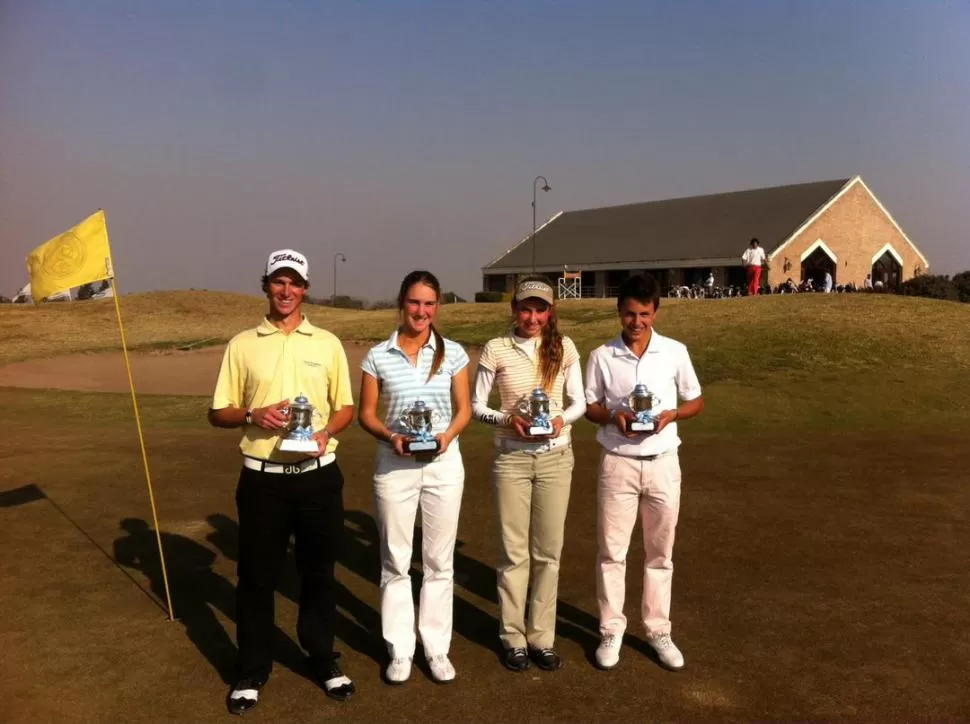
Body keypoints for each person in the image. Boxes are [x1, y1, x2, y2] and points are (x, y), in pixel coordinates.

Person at [208, 249, 356, 714]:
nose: (286, 290)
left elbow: (345, 407)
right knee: (256, 578)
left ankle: (321, 657)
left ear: (306, 288)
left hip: (317, 477)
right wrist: (252, 414)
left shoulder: (328, 343)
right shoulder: (242, 343)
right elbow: (218, 412)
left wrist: (325, 432)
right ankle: (251, 670)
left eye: (295, 282)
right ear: (266, 286)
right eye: (278, 282)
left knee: (318, 575)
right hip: (262, 481)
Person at [584, 274, 704, 672]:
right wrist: (614, 415)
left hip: (663, 462)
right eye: (630, 314)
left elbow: (696, 401)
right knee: (611, 553)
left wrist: (670, 415)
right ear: (620, 312)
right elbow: (591, 408)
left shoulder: (674, 352)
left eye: (645, 314)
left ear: (655, 312)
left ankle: (657, 630)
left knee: (660, 553)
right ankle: (611, 629)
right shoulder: (602, 355)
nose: (637, 322)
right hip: (617, 462)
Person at [357, 271, 472, 685]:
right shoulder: (378, 355)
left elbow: (464, 409)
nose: (421, 311)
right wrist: (393, 436)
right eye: (414, 302)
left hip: (443, 464)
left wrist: (445, 436)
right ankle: (400, 649)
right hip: (395, 465)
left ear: (437, 306)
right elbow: (366, 413)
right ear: (401, 303)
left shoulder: (454, 353)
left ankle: (436, 648)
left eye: (428, 303)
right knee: (396, 561)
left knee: (440, 561)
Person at [471, 276, 586, 672]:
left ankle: (542, 637)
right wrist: (508, 419)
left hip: (556, 457)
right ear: (513, 310)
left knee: (548, 554)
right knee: (513, 553)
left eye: (539, 309)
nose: (532, 317)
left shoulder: (564, 347)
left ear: (550, 312)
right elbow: (476, 406)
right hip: (511, 459)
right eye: (525, 308)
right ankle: (512, 637)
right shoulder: (496, 348)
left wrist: (558, 421)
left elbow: (579, 402)